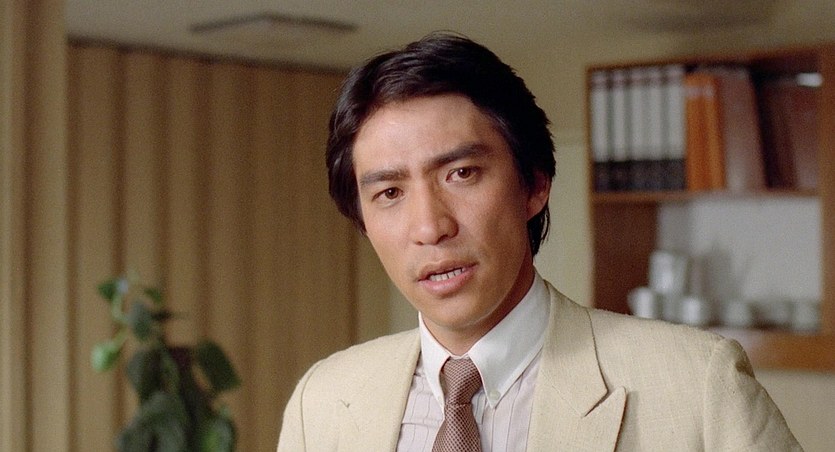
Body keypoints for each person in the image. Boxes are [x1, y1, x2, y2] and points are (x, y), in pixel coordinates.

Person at [277, 32, 801, 451]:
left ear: (534, 184)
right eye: (389, 193)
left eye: (461, 174)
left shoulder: (697, 384)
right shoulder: (324, 400)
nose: (430, 227)